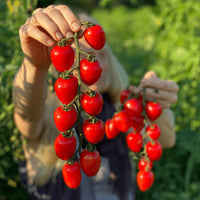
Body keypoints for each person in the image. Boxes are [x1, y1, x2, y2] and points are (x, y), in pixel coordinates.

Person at [12, 4, 179, 200]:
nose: (94, 63)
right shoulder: (50, 114)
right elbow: (26, 116)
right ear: (61, 64)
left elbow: (166, 140)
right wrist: (35, 65)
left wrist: (154, 103)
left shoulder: (121, 109)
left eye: (99, 55)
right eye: (82, 56)